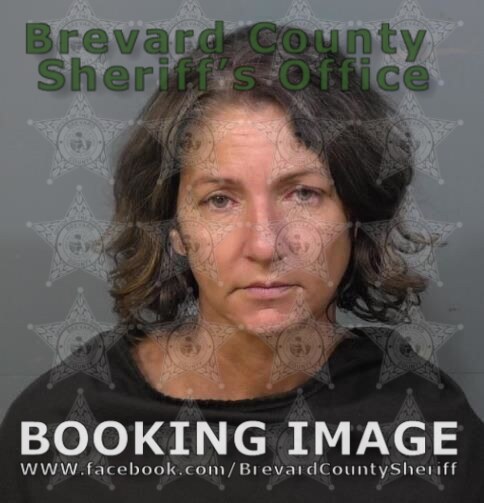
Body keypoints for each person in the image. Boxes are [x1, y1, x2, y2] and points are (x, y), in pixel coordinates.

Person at [1, 24, 483, 502]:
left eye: (303, 193)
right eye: (220, 201)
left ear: (356, 217)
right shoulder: (61, 426)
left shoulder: (428, 431)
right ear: (174, 229)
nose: (265, 244)